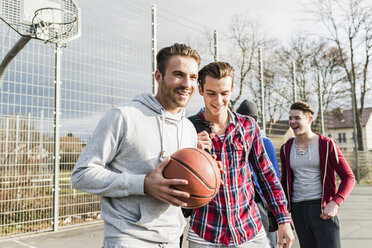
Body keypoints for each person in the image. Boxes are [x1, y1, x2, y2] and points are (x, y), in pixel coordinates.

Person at [71, 43, 201, 248]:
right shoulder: (124, 117)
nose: (187, 83)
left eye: (193, 77)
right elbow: (81, 175)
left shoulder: (188, 128)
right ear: (158, 76)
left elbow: (183, 188)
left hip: (172, 239)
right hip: (128, 239)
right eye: (178, 74)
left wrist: (206, 183)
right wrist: (142, 184)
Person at [187, 61, 294, 248]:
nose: (218, 100)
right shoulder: (187, 129)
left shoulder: (247, 126)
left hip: (249, 230)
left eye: (224, 93)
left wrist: (283, 219)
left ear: (232, 90)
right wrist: (190, 150)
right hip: (205, 232)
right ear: (200, 90)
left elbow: (267, 176)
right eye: (211, 93)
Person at [280, 102, 355, 248]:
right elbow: (284, 182)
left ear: (309, 119)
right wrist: (283, 211)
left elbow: (349, 177)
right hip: (298, 210)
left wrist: (335, 202)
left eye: (297, 118)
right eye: (290, 118)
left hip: (322, 210)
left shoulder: (327, 145)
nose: (292, 122)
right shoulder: (286, 149)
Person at [236, 100, 280, 248]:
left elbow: (273, 176)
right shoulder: (235, 139)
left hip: (261, 202)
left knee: (267, 241)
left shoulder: (264, 142)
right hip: (243, 202)